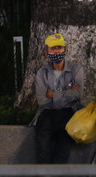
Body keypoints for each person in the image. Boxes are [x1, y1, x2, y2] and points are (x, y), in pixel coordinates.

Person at [32, 33, 85, 164]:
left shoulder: (76, 69)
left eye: (59, 47)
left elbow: (78, 94)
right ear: (46, 53)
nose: (56, 51)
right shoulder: (41, 73)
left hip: (69, 113)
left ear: (65, 50)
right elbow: (42, 100)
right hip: (47, 113)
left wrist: (52, 94)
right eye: (53, 48)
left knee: (63, 152)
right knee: (43, 153)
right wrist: (67, 93)